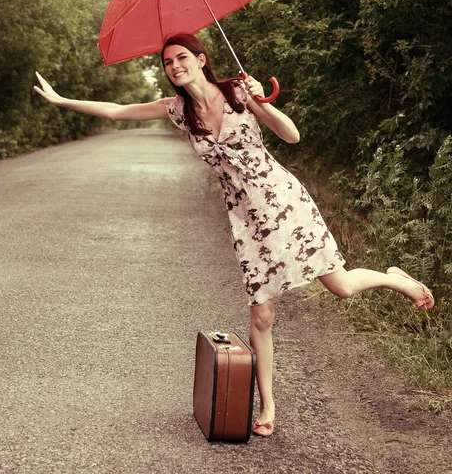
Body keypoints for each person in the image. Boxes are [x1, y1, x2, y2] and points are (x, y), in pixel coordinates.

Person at [33, 32, 434, 438]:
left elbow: (291, 136)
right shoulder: (178, 110)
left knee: (342, 287)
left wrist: (262, 101)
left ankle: (394, 278)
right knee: (262, 313)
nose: (175, 66)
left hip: (283, 201)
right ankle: (268, 407)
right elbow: (118, 111)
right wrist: (64, 101)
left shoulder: (239, 92)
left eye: (182, 57)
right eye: (168, 62)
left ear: (202, 59)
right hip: (246, 220)